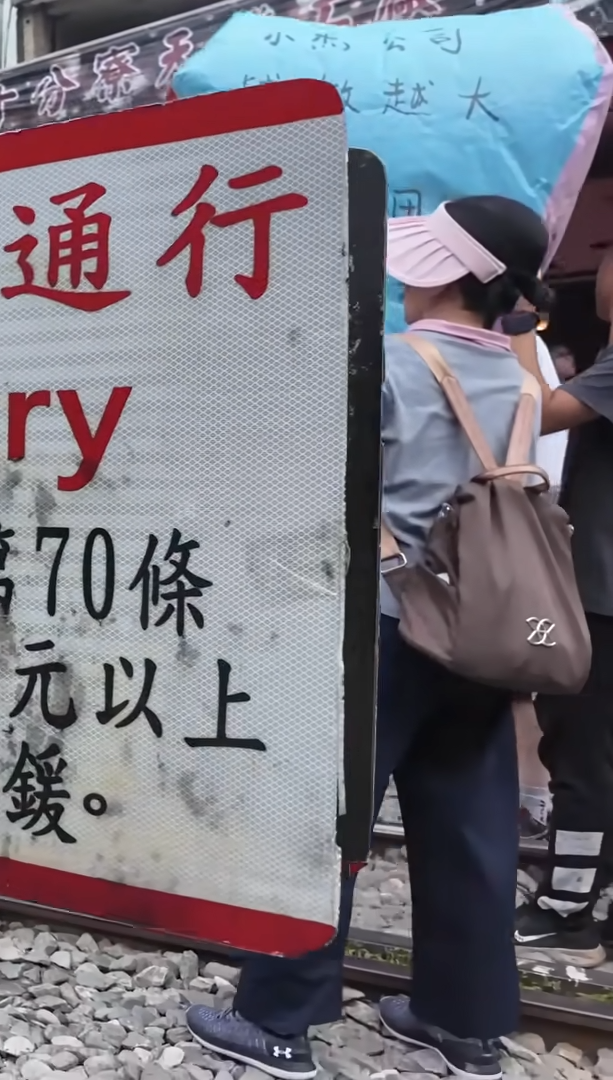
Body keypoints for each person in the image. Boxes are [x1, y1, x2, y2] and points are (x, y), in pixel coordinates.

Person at [188, 195, 553, 1080]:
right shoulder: (524, 384)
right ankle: (463, 1025)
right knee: (470, 825)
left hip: (380, 629)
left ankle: (278, 1022)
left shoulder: (388, 363)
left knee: (327, 820)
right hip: (481, 634)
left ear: (445, 274)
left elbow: (312, 481)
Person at [505, 251, 613, 966]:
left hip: (602, 594)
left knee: (579, 748)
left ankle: (568, 912)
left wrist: (520, 326)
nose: (600, 273)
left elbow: (539, 409)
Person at [514, 321, 568, 843]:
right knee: (519, 678)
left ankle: (533, 795)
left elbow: (541, 425)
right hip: (533, 525)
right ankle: (533, 796)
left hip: (518, 527)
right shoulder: (536, 352)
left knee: (518, 677)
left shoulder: (526, 349)